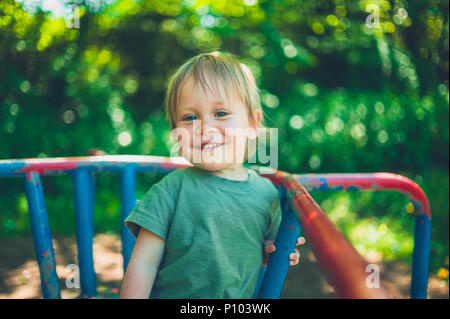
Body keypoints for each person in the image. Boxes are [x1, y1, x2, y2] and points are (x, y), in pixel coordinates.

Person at [120, 51, 304, 299]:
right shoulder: (171, 189)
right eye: (190, 118)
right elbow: (144, 264)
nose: (205, 128)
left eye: (220, 113)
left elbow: (266, 255)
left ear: (253, 124)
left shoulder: (268, 193)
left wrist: (281, 252)